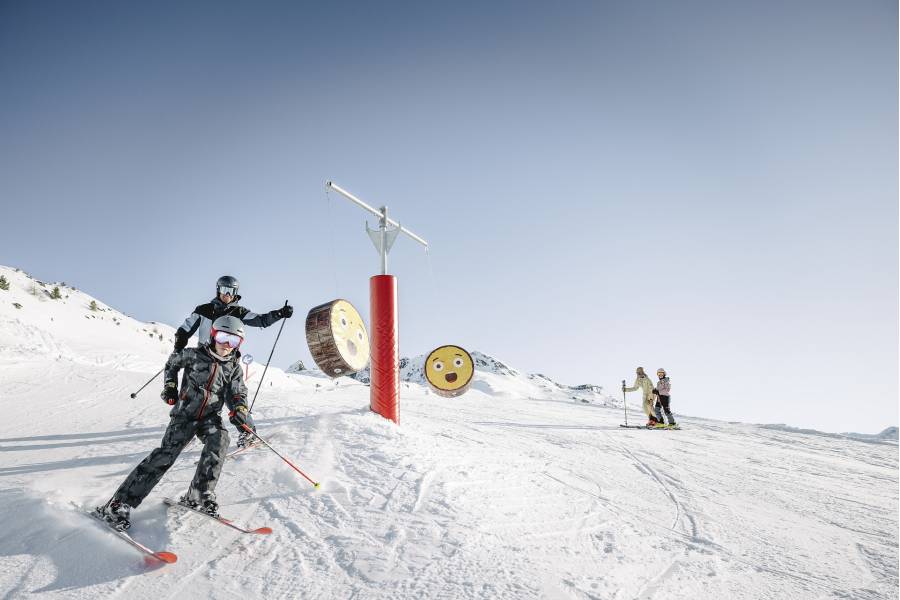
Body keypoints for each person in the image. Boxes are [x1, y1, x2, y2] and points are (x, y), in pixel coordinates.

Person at [96, 316, 255, 531]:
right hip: (185, 415)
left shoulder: (233, 368)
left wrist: (239, 410)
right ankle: (118, 503)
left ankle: (199, 492)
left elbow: (238, 393)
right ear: (214, 335)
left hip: (210, 417)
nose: (227, 345)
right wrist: (170, 386)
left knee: (220, 439)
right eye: (224, 337)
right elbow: (172, 363)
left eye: (234, 341)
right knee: (165, 455)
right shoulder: (194, 354)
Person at [174, 275, 292, 447]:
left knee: (233, 396)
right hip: (203, 361)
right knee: (196, 396)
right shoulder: (203, 310)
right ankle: (190, 430)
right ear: (218, 290)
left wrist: (279, 313)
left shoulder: (239, 312)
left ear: (235, 293)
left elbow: (261, 320)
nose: (227, 295)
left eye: (231, 291)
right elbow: (186, 327)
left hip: (227, 362)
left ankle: (247, 432)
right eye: (223, 290)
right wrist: (180, 339)